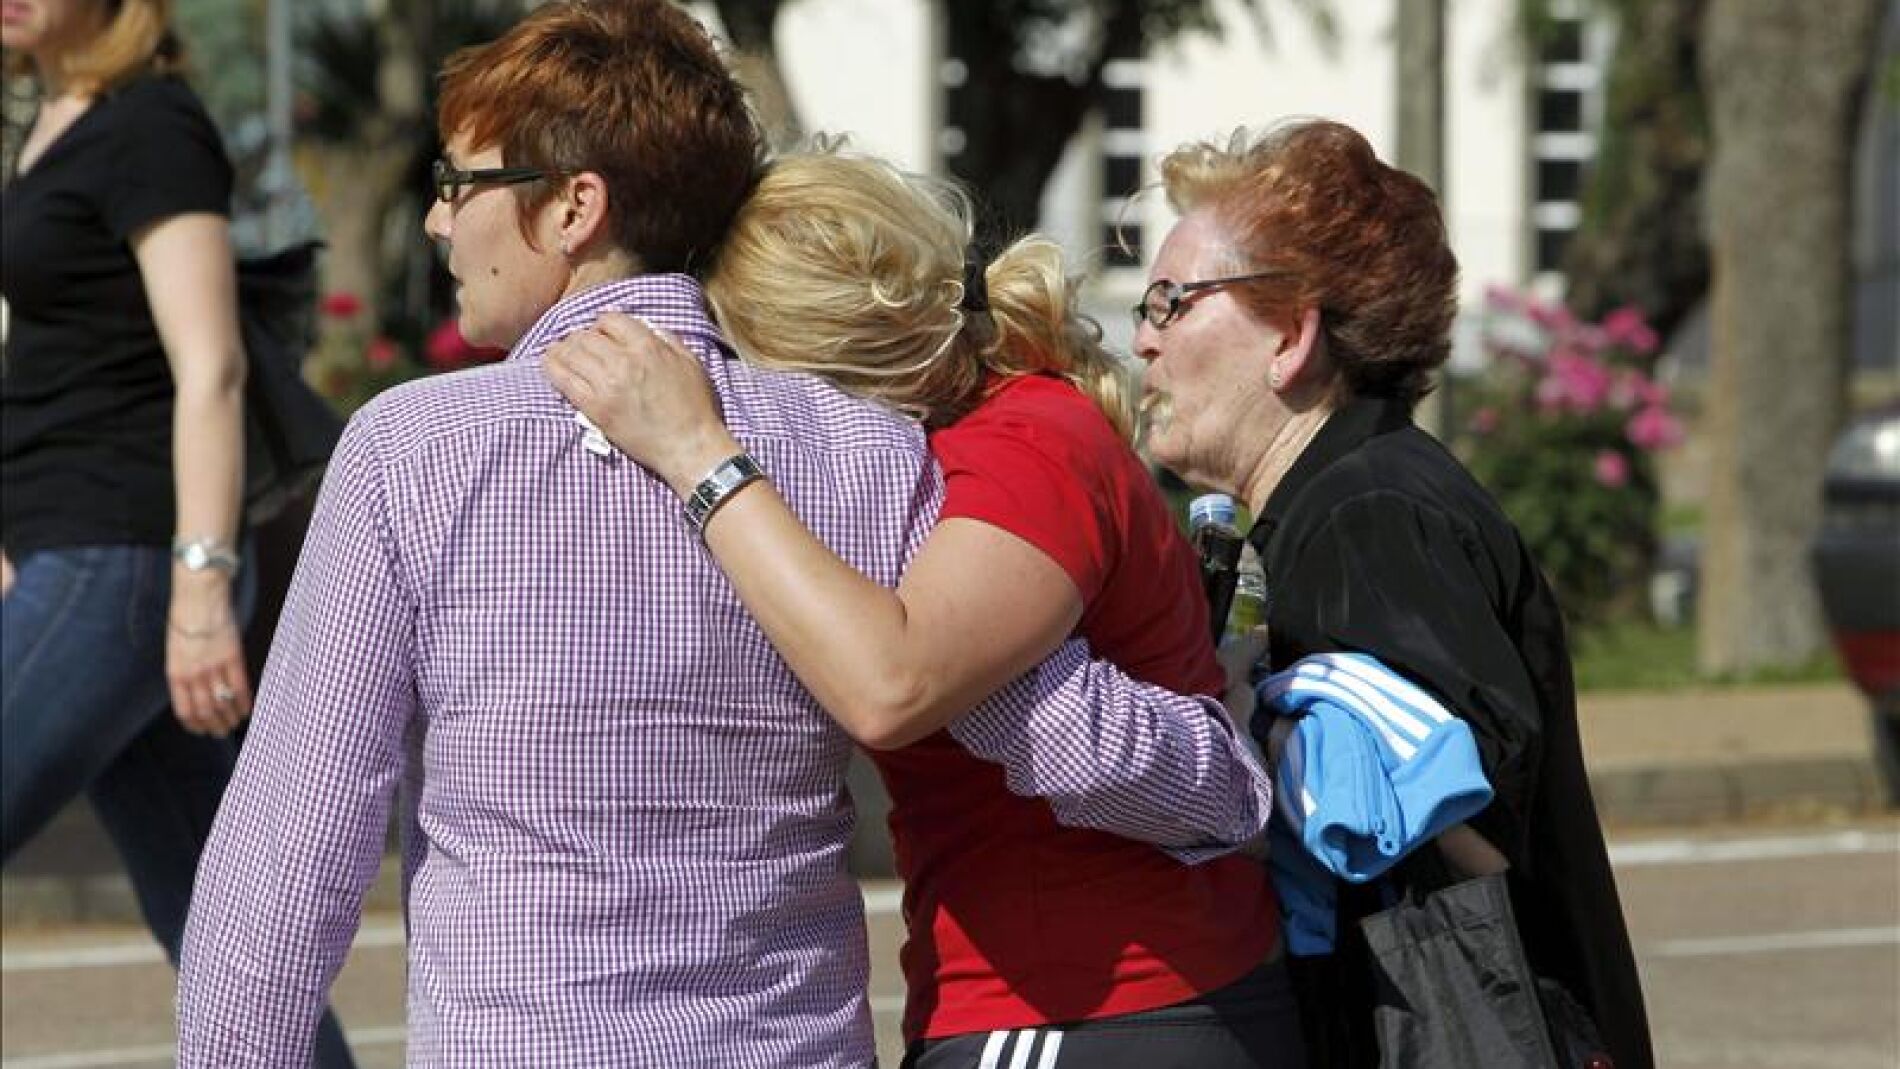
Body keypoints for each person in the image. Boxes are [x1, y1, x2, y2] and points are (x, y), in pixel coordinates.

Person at [177, 4, 1269, 1065]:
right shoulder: (860, 451)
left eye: (459, 184)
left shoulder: (413, 450)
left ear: (575, 207)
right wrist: (1221, 776)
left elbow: (293, 842)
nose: (435, 219)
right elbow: (1040, 720)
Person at [547, 149, 1303, 1069]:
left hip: (1095, 1003)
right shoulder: (979, 445)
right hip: (1092, 1002)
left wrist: (696, 451)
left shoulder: (1023, 445)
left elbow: (892, 683)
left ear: (816, 374)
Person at [1130, 119, 1654, 1068]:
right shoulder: (1333, 502)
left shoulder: (1372, 511)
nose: (1142, 341)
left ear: (1289, 335)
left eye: (1172, 302)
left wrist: (1233, 739)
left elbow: (1476, 817)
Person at [0, 2, 357, 1064]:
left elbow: (211, 366)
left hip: (124, 556)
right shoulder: (53, 117)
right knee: (219, 926)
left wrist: (201, 587)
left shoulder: (152, 124)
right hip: (76, 547)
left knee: (216, 915)